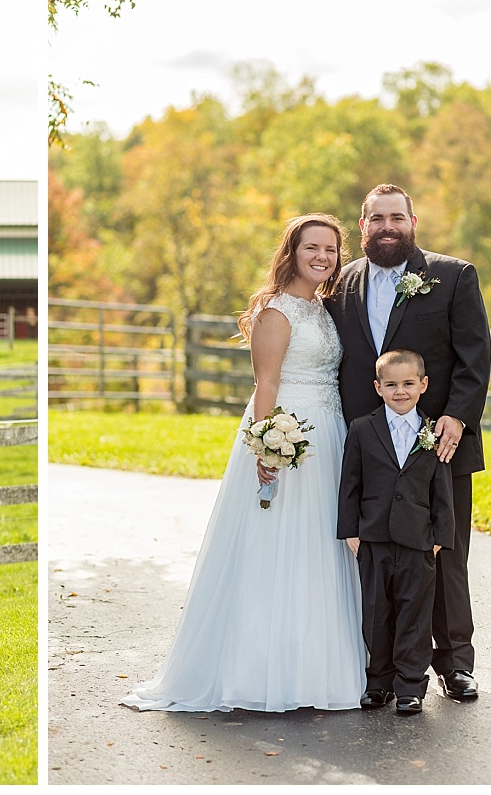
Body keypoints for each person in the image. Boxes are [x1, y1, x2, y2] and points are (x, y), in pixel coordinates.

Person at [123, 214, 366, 713]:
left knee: (323, 543)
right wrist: (267, 445)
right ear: (291, 252)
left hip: (330, 433)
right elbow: (267, 383)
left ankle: (316, 666)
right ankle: (261, 669)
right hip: (290, 432)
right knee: (279, 544)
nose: (322, 257)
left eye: (330, 249)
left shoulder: (321, 308)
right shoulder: (276, 311)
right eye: (312, 247)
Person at [325, 183, 490, 701]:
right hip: (369, 448)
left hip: (438, 444)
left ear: (413, 222)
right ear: (363, 226)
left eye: (397, 218)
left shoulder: (452, 276)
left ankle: (455, 662)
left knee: (444, 553)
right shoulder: (340, 284)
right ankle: (385, 669)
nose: (388, 227)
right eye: (377, 219)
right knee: (378, 561)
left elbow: (474, 356)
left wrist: (457, 417)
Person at [338, 349, 454, 715]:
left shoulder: (433, 432)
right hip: (373, 538)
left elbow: (442, 490)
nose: (400, 391)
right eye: (391, 385)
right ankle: (379, 682)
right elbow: (350, 484)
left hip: (419, 540)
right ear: (378, 387)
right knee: (376, 612)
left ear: (423, 384)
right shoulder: (362, 428)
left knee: (414, 615)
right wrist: (350, 530)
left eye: (407, 383)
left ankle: (410, 686)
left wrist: (440, 536)